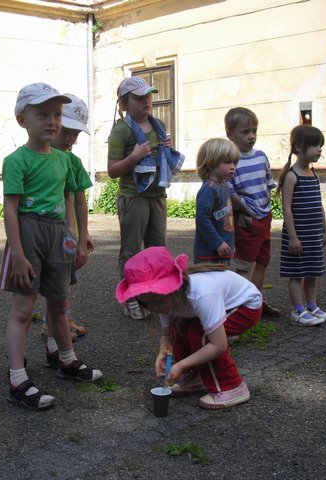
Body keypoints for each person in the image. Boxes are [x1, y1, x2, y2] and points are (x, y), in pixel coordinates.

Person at [0, 82, 102, 411]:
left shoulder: (65, 161)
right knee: (23, 309)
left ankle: (66, 359)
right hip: (28, 235)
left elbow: (72, 199)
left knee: (59, 304)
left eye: (56, 114)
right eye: (42, 115)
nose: (52, 121)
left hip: (57, 235)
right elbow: (10, 209)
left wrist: (76, 237)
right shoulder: (16, 161)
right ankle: (17, 378)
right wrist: (17, 254)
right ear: (22, 119)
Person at [116, 246, 263, 410]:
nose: (154, 308)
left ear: (173, 288)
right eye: (145, 303)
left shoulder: (201, 294)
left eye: (156, 301)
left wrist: (181, 366)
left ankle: (232, 386)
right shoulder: (164, 299)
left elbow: (219, 345)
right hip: (220, 304)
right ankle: (196, 376)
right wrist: (164, 350)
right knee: (178, 326)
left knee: (201, 334)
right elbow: (167, 335)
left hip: (246, 306)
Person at [107, 76, 184, 319]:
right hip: (134, 197)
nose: (146, 101)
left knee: (157, 250)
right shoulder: (121, 130)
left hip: (157, 195)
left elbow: (163, 158)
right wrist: (134, 156)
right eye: (139, 98)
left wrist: (168, 148)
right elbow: (112, 171)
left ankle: (154, 295)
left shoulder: (158, 124)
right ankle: (130, 297)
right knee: (131, 252)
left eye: (148, 96)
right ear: (124, 103)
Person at [40, 94, 93, 345]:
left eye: (76, 134)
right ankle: (50, 324)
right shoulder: (39, 158)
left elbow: (79, 200)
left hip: (67, 234)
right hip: (44, 232)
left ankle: (62, 320)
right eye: (68, 132)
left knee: (64, 280)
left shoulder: (73, 161)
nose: (71, 139)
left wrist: (83, 237)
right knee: (49, 281)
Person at [277, 124, 326, 327]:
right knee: (296, 273)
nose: (319, 150)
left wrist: (325, 229)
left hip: (313, 234)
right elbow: (287, 209)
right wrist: (293, 237)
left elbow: (319, 205)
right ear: (299, 147)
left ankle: (312, 306)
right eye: (315, 145)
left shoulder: (314, 174)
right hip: (298, 236)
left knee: (312, 271)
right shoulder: (292, 176)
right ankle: (298, 310)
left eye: (321, 146)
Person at [224, 107, 280, 318]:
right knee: (243, 265)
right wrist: (247, 209)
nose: (252, 136)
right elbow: (229, 191)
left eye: (254, 130)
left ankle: (256, 302)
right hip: (246, 220)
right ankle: (240, 309)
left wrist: (265, 211)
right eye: (245, 131)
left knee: (263, 260)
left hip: (264, 218)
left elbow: (268, 185)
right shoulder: (230, 161)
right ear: (230, 134)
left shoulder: (261, 156)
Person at [193, 138, 240, 265]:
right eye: (227, 162)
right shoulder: (209, 189)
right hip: (209, 255)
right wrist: (217, 243)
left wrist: (230, 243)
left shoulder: (223, 186)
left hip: (223, 253)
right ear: (210, 163)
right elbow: (202, 219)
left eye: (234, 162)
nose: (232, 167)